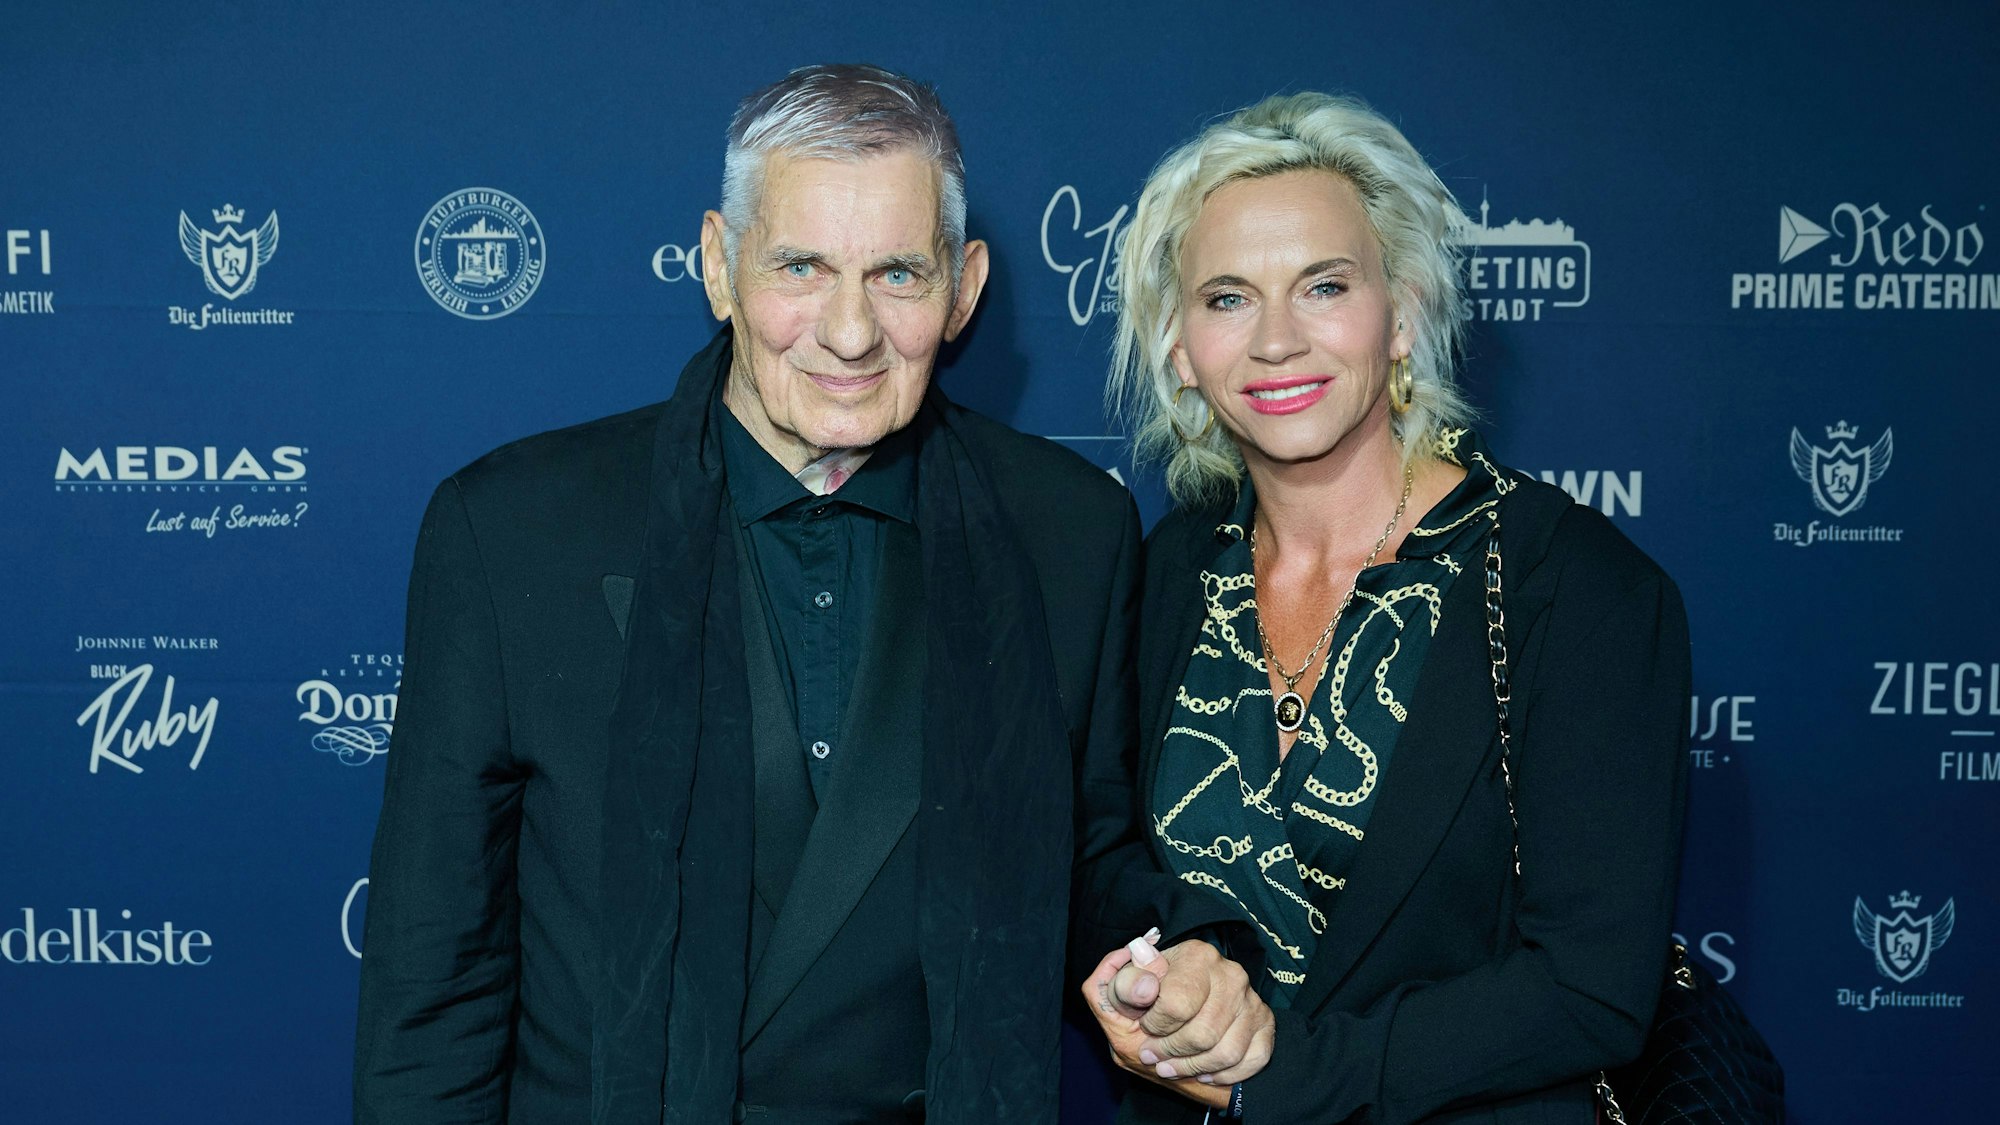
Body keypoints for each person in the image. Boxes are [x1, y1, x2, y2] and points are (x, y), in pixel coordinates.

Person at [353, 63, 1262, 1124]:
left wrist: (1182, 957)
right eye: (799, 267)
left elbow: (1082, 860)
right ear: (716, 267)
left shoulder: (1067, 531)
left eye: (896, 276)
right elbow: (435, 974)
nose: (847, 332)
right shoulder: (510, 530)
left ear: (963, 289)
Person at [1081, 92, 1691, 1123]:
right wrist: (1162, 974)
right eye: (1227, 298)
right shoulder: (1163, 572)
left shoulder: (1574, 588)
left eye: (1322, 286)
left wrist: (1276, 1081)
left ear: (1401, 314)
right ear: (1178, 349)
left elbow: (1589, 986)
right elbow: (1105, 862)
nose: (1275, 341)